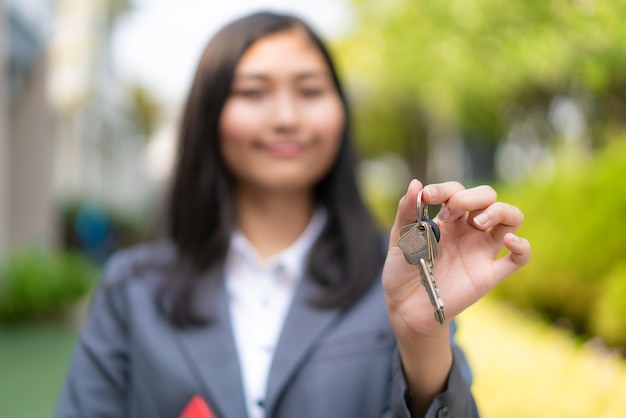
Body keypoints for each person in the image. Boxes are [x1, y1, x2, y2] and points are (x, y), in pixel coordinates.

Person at [54, 11, 530, 418]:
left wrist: (421, 340)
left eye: (309, 90)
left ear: (340, 114)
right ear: (209, 114)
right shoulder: (132, 289)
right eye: (253, 92)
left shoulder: (402, 276)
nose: (285, 116)